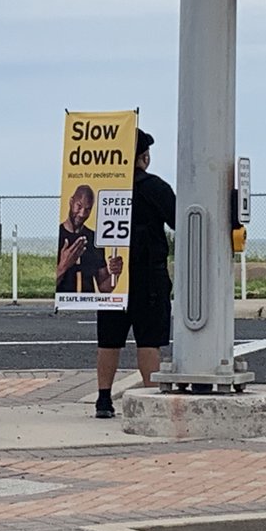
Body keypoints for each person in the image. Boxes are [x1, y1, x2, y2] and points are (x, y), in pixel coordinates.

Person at [95, 128, 176, 419]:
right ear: (144, 157)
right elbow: (180, 219)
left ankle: (103, 399)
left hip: (110, 276)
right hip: (149, 275)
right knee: (149, 340)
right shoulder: (155, 188)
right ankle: (151, 397)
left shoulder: (104, 187)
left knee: (108, 339)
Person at [56, 184, 123, 294]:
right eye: (79, 206)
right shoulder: (57, 235)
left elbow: (104, 289)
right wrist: (64, 265)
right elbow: (45, 285)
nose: (82, 213)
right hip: (62, 306)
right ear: (71, 201)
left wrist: (114, 274)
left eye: (87, 209)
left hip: (87, 306)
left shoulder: (94, 238)